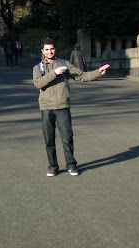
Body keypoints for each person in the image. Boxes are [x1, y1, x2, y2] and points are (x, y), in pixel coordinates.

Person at [32, 37, 110, 177]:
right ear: (42, 51)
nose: (50, 52)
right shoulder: (38, 68)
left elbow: (82, 76)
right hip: (46, 107)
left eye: (52, 49)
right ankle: (53, 166)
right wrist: (54, 73)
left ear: (55, 49)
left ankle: (71, 165)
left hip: (62, 105)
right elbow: (38, 83)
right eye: (47, 49)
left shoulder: (64, 63)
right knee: (49, 139)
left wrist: (98, 72)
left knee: (67, 137)